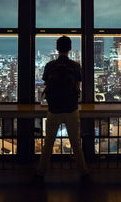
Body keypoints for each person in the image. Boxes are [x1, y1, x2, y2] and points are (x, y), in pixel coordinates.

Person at [35, 36, 89, 180]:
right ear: (70, 48)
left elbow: (46, 84)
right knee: (76, 143)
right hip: (71, 109)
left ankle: (40, 172)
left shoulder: (50, 65)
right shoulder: (76, 66)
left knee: (48, 144)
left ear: (57, 49)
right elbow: (78, 86)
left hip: (54, 110)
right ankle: (83, 172)